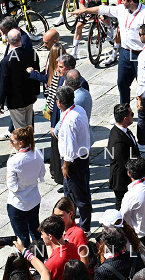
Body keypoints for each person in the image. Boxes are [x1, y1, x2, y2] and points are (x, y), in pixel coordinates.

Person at [57, 84, 93, 231]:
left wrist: (65, 166)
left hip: (73, 162)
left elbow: (70, 148)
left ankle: (84, 227)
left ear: (59, 102)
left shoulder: (69, 121)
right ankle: (70, 222)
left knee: (80, 196)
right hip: (81, 157)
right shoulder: (79, 109)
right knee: (69, 194)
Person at [6, 125, 45, 248]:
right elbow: (42, 173)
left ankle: (26, 257)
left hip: (18, 203)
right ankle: (40, 254)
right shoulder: (37, 152)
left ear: (21, 143)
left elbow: (12, 186)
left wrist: (8, 179)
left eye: (12, 141)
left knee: (22, 237)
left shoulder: (13, 161)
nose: (10, 143)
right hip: (34, 199)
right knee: (35, 231)